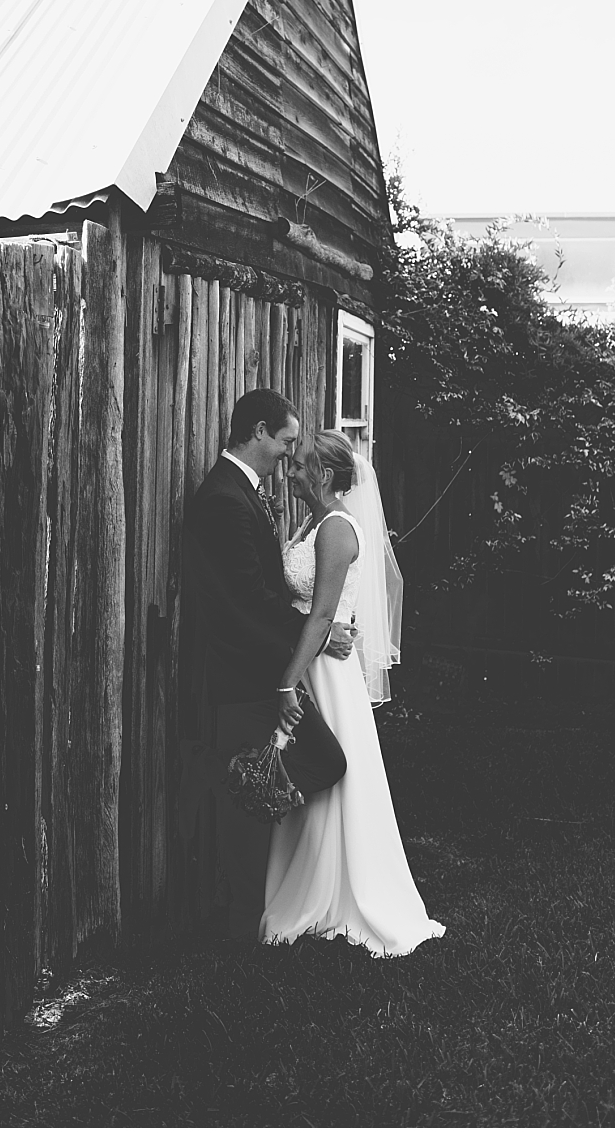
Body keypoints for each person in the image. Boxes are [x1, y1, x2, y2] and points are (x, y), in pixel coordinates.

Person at [260, 428, 445, 955]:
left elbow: (322, 616)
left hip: (321, 673)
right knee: (304, 772)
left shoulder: (337, 529)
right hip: (310, 661)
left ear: (323, 475)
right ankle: (304, 885)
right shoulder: (312, 523)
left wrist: (287, 683)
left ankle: (335, 895)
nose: (291, 471)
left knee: (325, 774)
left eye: (300, 465)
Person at [181, 390, 350, 940]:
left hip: (262, 670)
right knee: (248, 807)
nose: (289, 454)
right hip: (246, 675)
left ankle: (259, 902)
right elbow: (248, 604)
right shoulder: (224, 500)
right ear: (258, 432)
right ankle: (242, 930)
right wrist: (312, 641)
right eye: (285, 441)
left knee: (278, 782)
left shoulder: (240, 493)